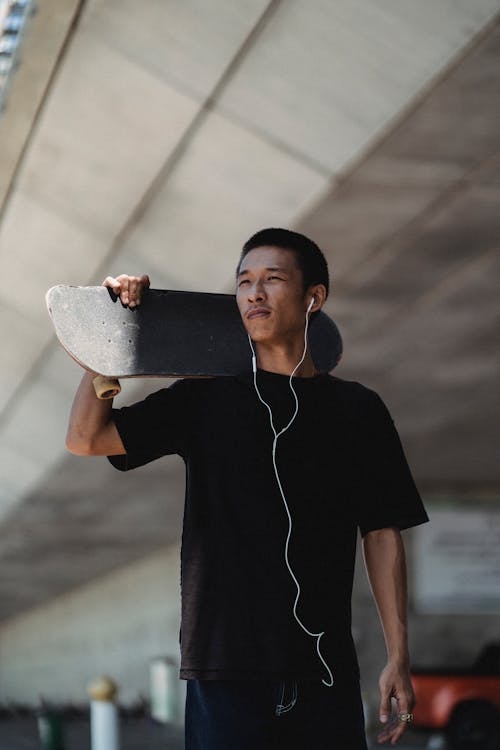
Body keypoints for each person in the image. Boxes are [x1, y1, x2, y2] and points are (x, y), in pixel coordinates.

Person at [66, 228, 428, 749]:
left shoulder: (358, 410)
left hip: (324, 670)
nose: (254, 293)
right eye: (244, 282)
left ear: (314, 298)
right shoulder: (204, 399)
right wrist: (107, 339)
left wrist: (398, 655)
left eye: (272, 279)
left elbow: (381, 530)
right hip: (224, 672)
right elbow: (86, 438)